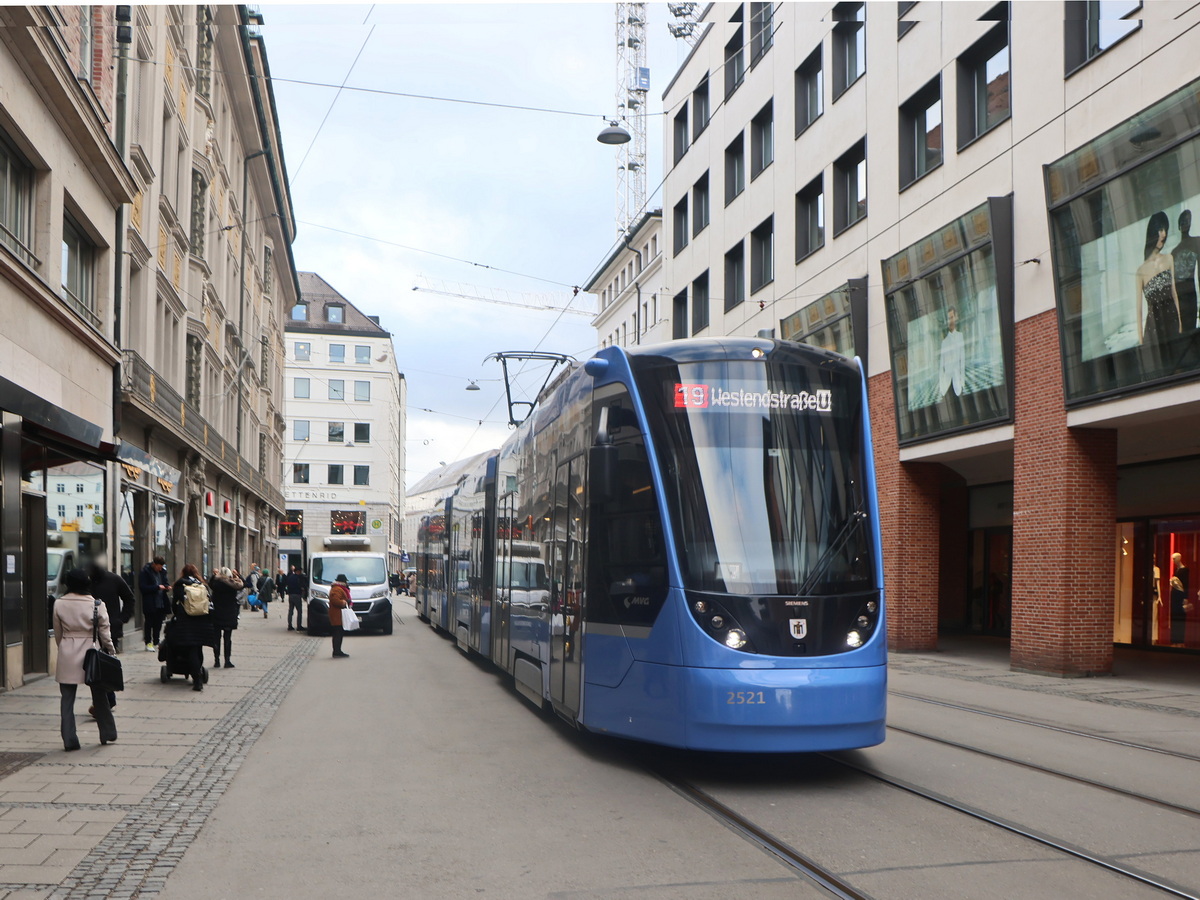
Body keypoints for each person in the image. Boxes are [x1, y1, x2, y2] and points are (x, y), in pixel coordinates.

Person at [53, 567, 117, 750]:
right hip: (92, 652)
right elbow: (105, 633)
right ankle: (107, 732)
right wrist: (111, 651)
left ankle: (69, 740)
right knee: (100, 696)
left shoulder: (59, 604)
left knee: (67, 700)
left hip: (67, 651)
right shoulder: (97, 604)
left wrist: (64, 647)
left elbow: (58, 633)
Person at [1136, 211, 1181, 360]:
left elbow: (1174, 293)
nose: (1164, 234)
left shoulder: (1169, 259)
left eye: (1165, 230)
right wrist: (1141, 342)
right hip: (1154, 328)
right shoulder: (1141, 271)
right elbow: (1139, 310)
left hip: (1172, 322)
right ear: (1153, 232)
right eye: (1160, 229)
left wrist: (1180, 323)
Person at [170, 565, 215, 692]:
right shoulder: (202, 585)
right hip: (202, 622)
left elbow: (174, 604)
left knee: (191, 650)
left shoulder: (180, 585)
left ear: (183, 572)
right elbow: (210, 603)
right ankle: (198, 672)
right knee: (198, 648)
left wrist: (177, 615)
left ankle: (197, 680)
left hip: (187, 622)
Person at [89, 559, 134, 654]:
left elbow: (129, 598)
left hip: (111, 627)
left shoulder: (114, 580)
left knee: (108, 658)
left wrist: (122, 618)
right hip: (89, 629)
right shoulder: (86, 582)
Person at [1172, 209, 1200, 335]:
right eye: (1183, 221)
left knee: (1191, 329)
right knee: (1184, 330)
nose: (1185, 224)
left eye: (1188, 221)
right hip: (1180, 295)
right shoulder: (1174, 251)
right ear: (1179, 225)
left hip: (1190, 293)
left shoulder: (1196, 242)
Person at [209, 567, 243, 668]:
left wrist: (214, 575)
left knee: (216, 638)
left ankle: (217, 660)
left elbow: (210, 583)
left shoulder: (216, 584)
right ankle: (227, 661)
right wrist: (237, 575)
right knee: (227, 638)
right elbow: (244, 584)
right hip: (229, 614)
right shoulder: (233, 585)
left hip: (217, 614)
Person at [138, 555, 171, 651]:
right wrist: (156, 587)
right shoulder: (145, 572)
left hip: (161, 601)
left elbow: (165, 582)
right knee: (149, 622)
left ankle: (156, 641)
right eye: (159, 567)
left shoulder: (162, 572)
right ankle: (148, 642)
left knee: (158, 622)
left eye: (161, 568)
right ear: (154, 564)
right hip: (150, 601)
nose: (160, 569)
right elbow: (143, 587)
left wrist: (166, 587)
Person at [328, 573, 351, 658]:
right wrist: (344, 602)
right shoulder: (337, 589)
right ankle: (336, 651)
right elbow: (335, 600)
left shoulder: (339, 588)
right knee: (337, 633)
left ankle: (338, 650)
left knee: (339, 633)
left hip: (338, 614)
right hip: (336, 614)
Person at [1170, 552, 1189, 646]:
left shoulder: (1185, 570)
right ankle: (1174, 640)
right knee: (1174, 618)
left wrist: (1186, 597)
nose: (1173, 561)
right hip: (1175, 596)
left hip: (1181, 596)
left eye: (1174, 559)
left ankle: (1180, 641)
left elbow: (1186, 584)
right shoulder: (1176, 570)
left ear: (1179, 558)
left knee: (1180, 618)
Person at [285, 566, 307, 631]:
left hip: (290, 595)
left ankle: (290, 625)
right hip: (297, 595)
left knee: (290, 611)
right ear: (298, 571)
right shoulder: (299, 578)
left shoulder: (290, 577)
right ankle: (299, 626)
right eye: (300, 571)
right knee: (299, 611)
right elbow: (302, 586)